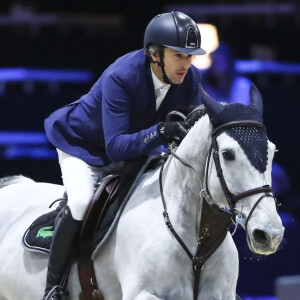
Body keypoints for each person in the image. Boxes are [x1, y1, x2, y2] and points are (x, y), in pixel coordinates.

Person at [43, 11, 206, 299]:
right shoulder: (122, 76)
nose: (186, 64)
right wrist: (160, 132)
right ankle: (53, 286)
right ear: (155, 54)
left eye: (190, 56)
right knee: (81, 201)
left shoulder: (189, 79)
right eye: (179, 55)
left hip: (132, 148)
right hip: (83, 146)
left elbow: (194, 123)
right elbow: (115, 147)